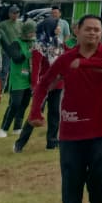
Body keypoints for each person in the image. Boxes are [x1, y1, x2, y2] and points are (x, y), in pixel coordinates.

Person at [28, 14, 102, 203]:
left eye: (97, 30)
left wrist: (85, 63)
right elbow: (44, 83)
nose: (93, 33)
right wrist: (35, 111)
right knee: (72, 178)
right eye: (88, 29)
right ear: (77, 31)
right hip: (72, 130)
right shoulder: (66, 59)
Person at [15, 17, 65, 152]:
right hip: (43, 85)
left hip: (58, 84)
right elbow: (36, 68)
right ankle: (20, 144)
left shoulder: (59, 43)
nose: (59, 28)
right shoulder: (39, 46)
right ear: (49, 28)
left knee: (55, 113)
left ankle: (52, 143)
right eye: (56, 26)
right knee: (35, 114)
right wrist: (35, 86)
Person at [0, 20, 37, 137]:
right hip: (17, 79)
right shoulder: (16, 43)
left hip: (29, 78)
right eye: (31, 32)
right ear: (25, 31)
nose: (32, 34)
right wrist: (29, 53)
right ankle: (4, 128)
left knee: (24, 104)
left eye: (34, 32)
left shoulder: (34, 42)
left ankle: (17, 127)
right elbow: (16, 59)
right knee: (15, 104)